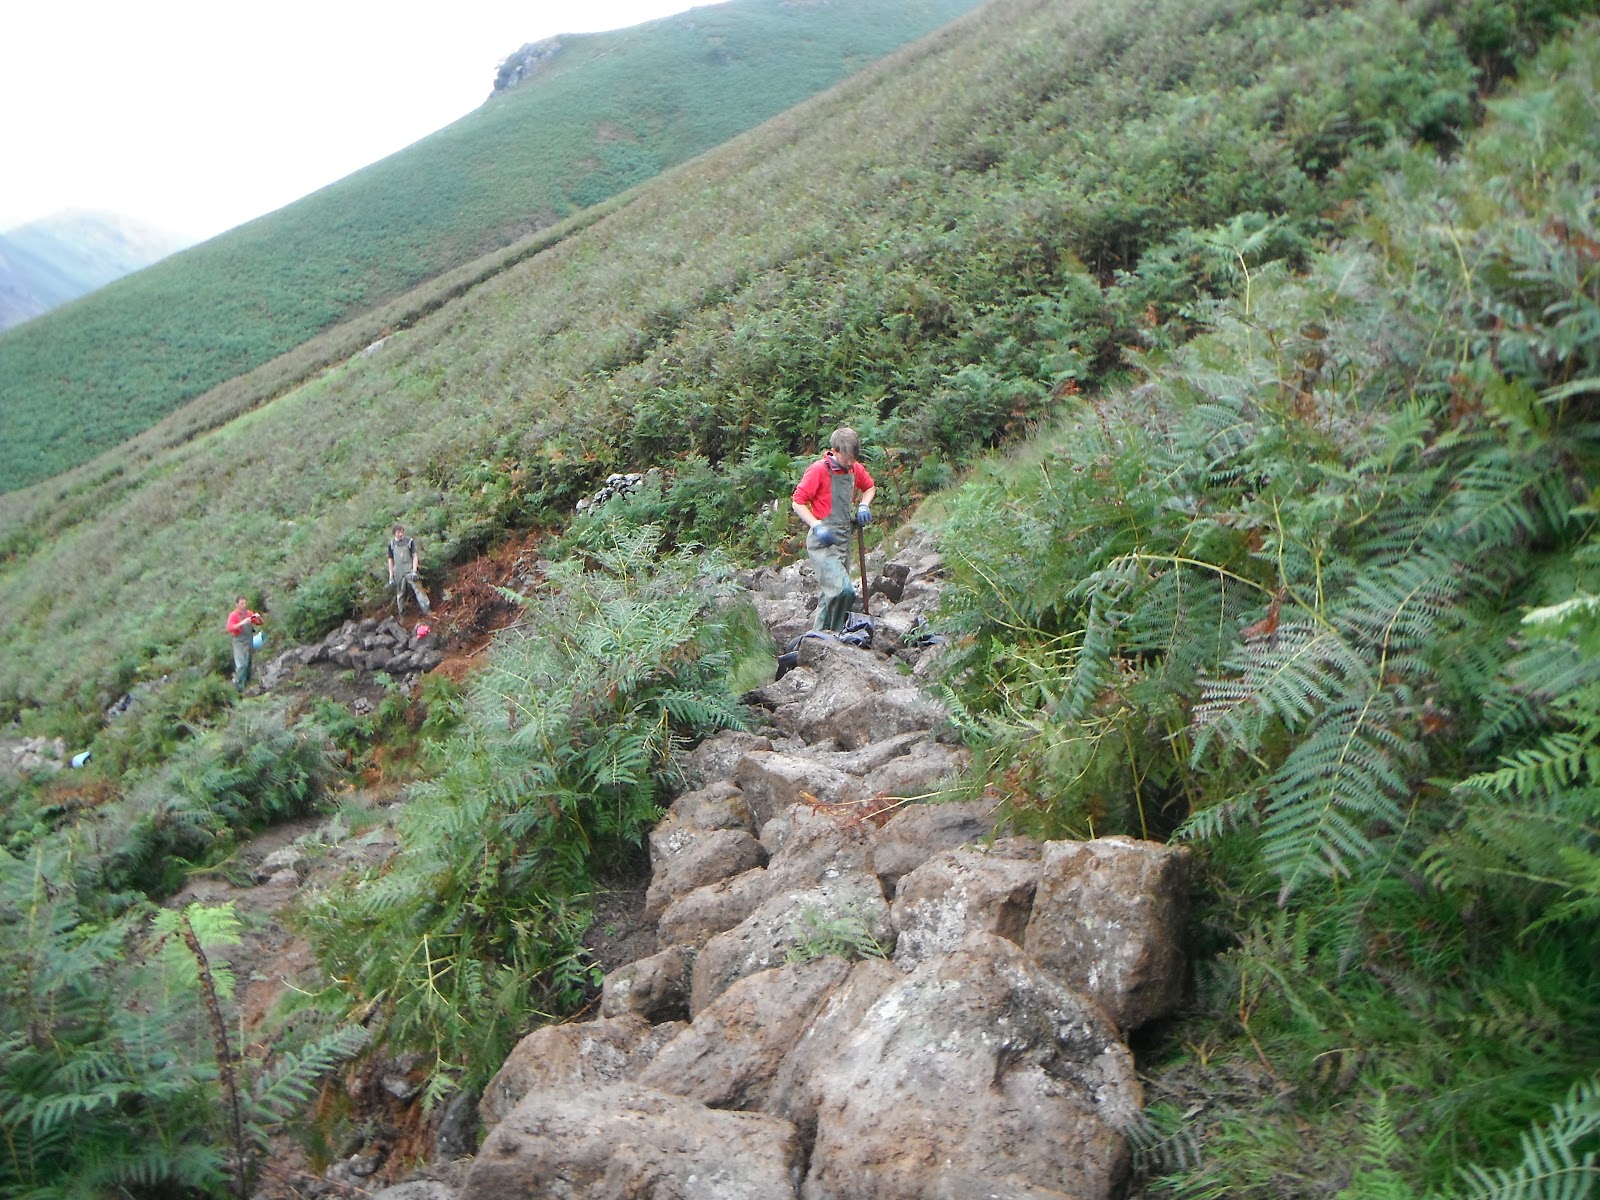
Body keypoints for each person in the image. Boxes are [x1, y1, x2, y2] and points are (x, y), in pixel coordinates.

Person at [791, 426, 875, 632]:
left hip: (843, 540)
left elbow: (870, 487)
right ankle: (835, 635)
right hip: (822, 541)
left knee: (829, 594)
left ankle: (817, 639)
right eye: (846, 458)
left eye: (853, 458)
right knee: (843, 591)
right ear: (834, 451)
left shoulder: (856, 469)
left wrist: (864, 504)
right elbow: (798, 502)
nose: (849, 463)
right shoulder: (818, 470)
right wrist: (816, 525)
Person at [387, 523, 433, 617]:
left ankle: (427, 611)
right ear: (394, 533)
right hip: (398, 572)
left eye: (402, 531)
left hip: (410, 569)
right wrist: (391, 576)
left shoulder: (409, 541)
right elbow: (390, 560)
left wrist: (415, 570)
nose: (400, 534)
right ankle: (402, 615)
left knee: (419, 590)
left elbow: (415, 555)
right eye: (398, 532)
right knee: (400, 594)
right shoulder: (391, 544)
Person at [226, 596, 263, 690]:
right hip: (239, 642)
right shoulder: (233, 615)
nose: (244, 605)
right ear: (237, 604)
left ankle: (247, 684)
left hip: (249, 640)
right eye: (242, 604)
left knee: (248, 663)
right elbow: (229, 628)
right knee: (241, 664)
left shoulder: (249, 613)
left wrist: (258, 617)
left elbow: (259, 623)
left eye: (245, 603)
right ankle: (238, 686)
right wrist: (242, 623)